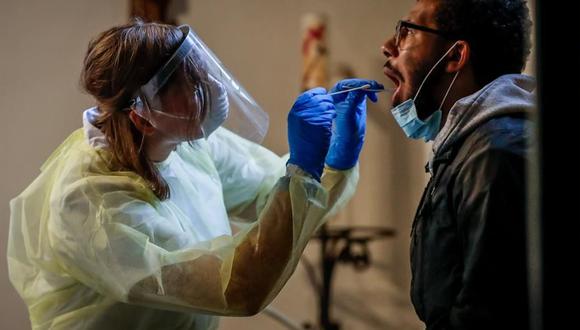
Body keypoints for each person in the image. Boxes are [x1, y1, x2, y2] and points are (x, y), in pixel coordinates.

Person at [7, 20, 381, 329]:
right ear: (143, 115)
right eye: (190, 82)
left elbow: (277, 198)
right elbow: (232, 286)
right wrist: (303, 172)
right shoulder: (89, 205)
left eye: (202, 71)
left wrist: (334, 161)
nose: (212, 88)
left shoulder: (185, 142)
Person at [381, 0, 534, 329]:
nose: (388, 46)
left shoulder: (495, 154)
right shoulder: (467, 148)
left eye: (407, 32)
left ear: (455, 56)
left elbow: (489, 317)